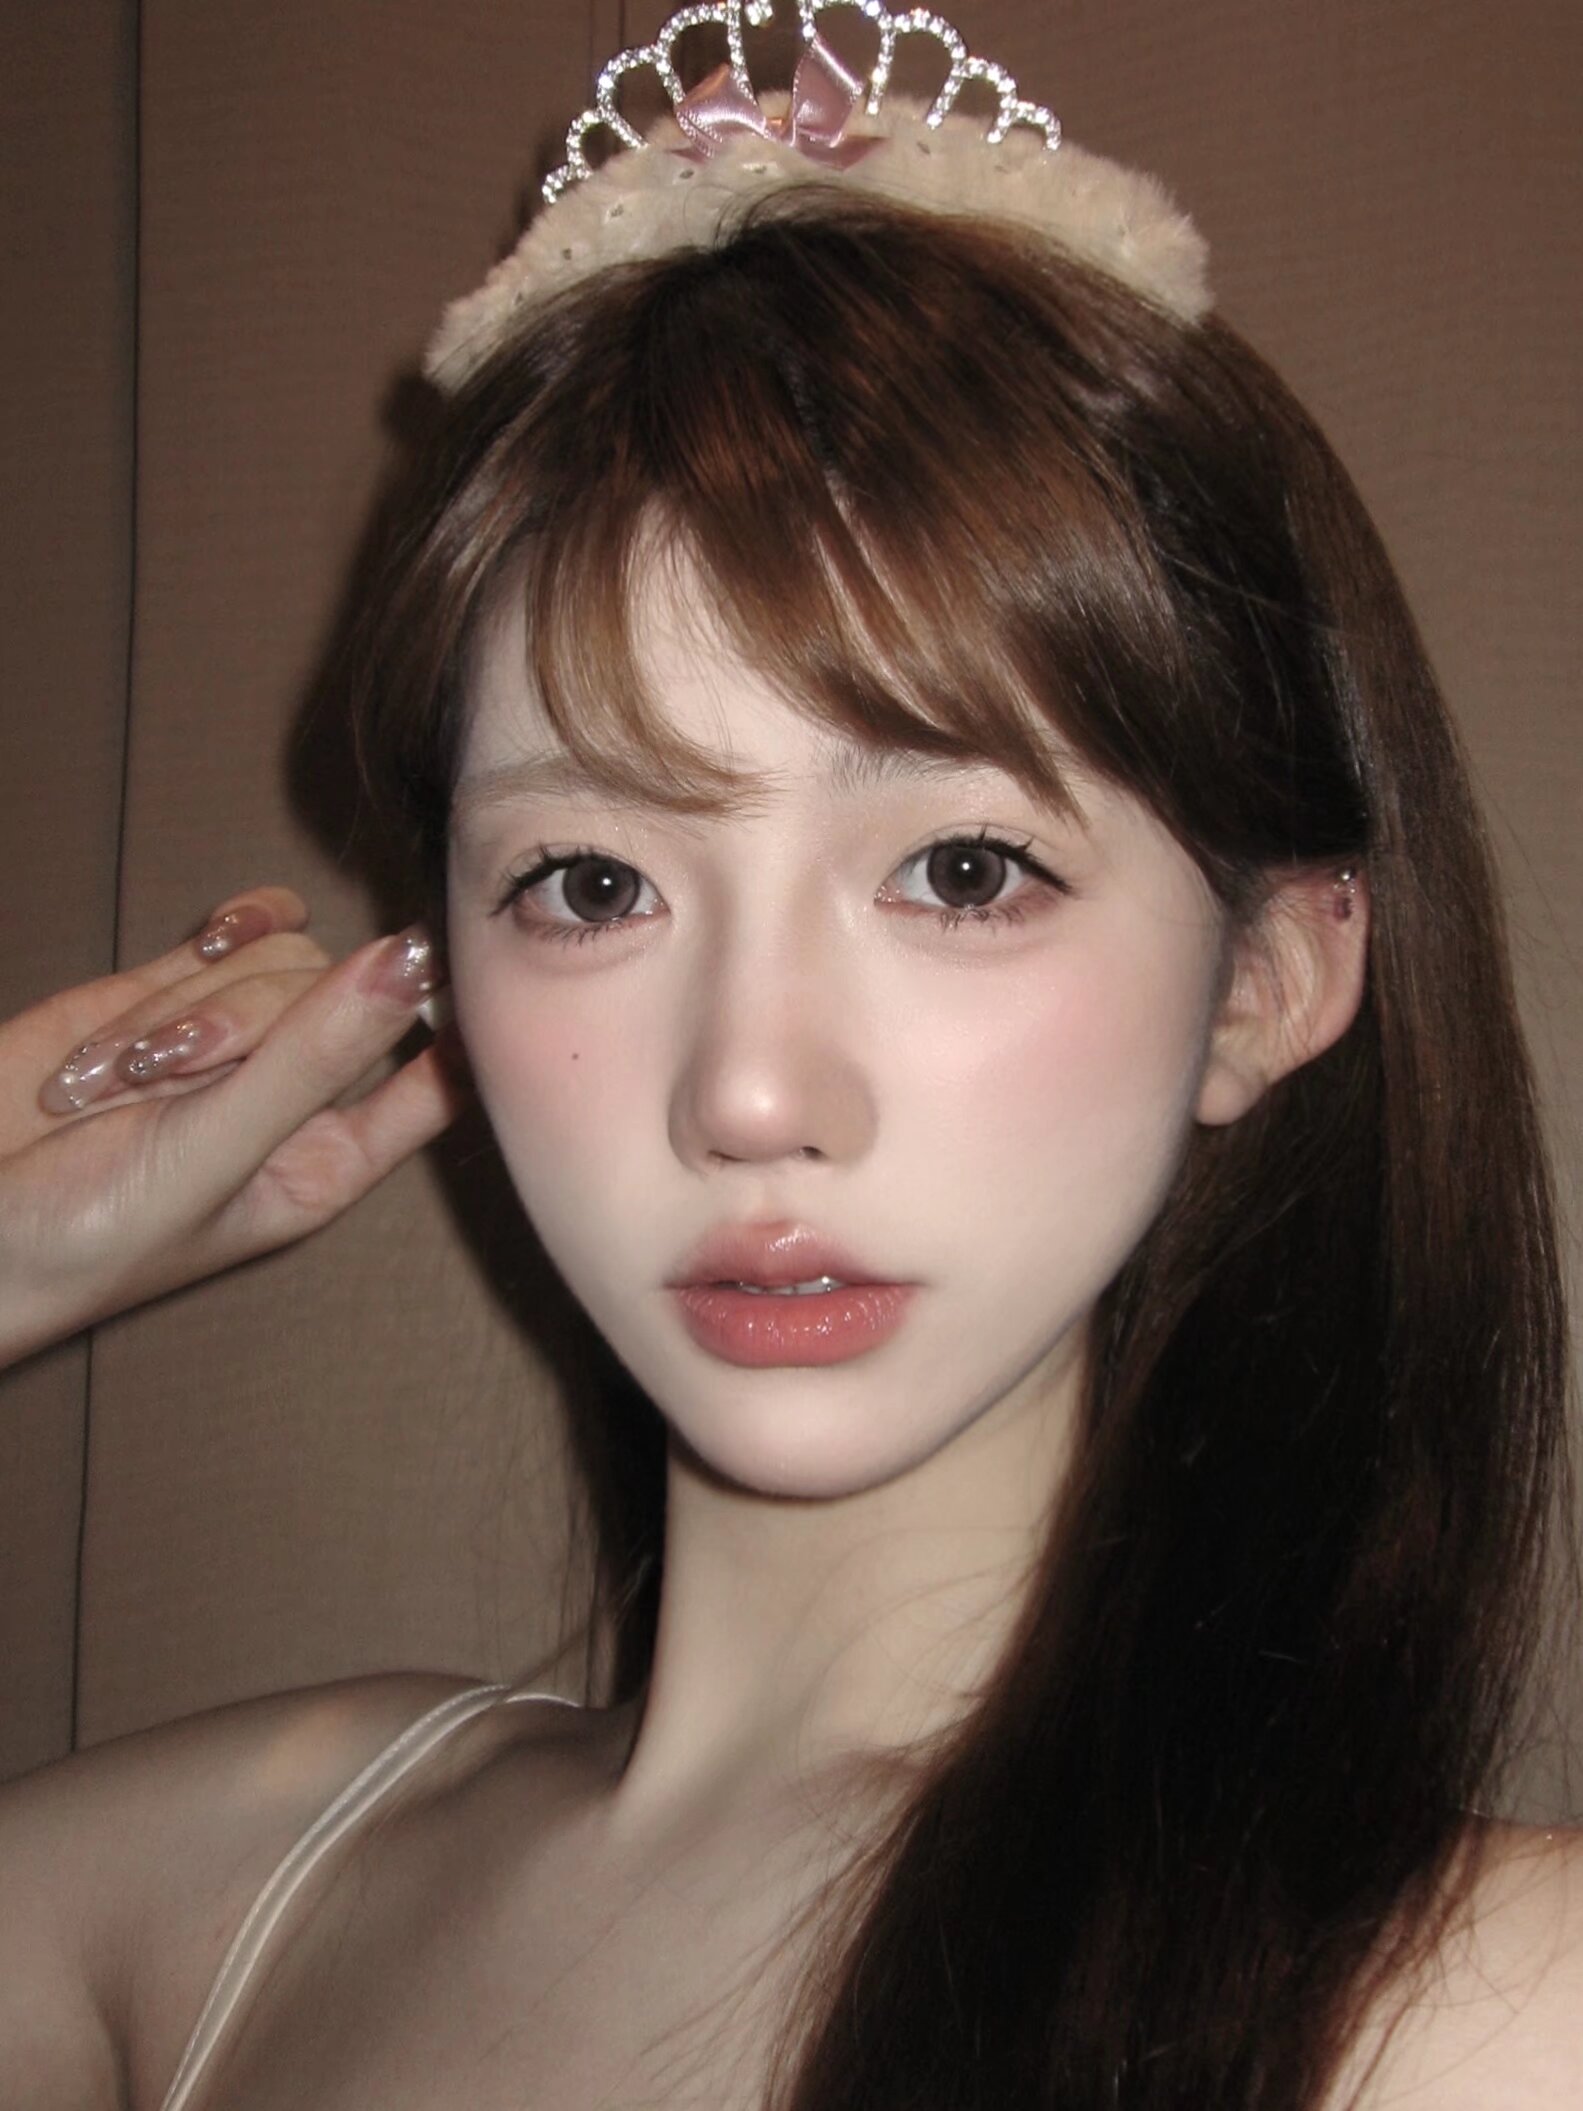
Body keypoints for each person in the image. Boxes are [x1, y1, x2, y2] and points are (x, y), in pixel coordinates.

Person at [1, 5, 1579, 2105]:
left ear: (1265, 980)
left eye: (959, 869)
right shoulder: (227, 1893)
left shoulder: (1492, 2016)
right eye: (588, 884)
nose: (747, 1093)